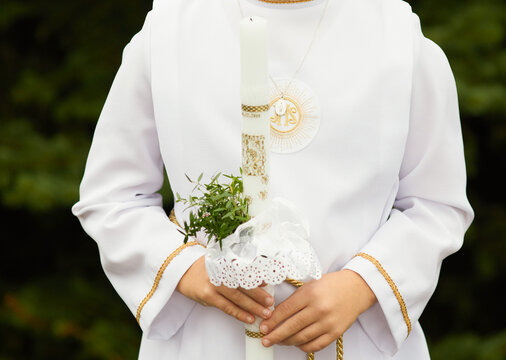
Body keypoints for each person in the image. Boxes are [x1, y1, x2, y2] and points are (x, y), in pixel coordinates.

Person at [72, 0, 474, 359]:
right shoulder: (169, 32)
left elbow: (436, 204)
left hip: (355, 338)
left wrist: (361, 285)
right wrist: (188, 271)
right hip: (207, 339)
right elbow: (113, 196)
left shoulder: (398, 38)